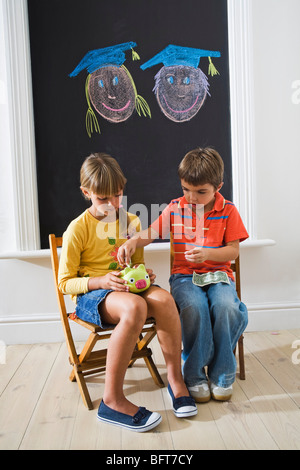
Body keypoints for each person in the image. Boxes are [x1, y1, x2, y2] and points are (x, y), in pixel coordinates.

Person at [58, 152, 197, 432]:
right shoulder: (78, 228)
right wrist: (101, 281)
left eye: (118, 196)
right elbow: (64, 283)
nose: (112, 205)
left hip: (127, 290)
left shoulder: (131, 221)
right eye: (102, 199)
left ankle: (175, 379)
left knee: (164, 299)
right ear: (86, 193)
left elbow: (138, 265)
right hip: (94, 296)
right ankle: (112, 401)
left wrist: (144, 277)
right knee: (135, 308)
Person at [118, 147, 249, 403]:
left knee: (226, 307)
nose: (192, 197)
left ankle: (222, 373)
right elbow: (152, 232)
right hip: (185, 277)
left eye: (201, 192)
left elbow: (233, 251)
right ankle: (195, 374)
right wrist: (134, 240)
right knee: (194, 307)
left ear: (218, 187)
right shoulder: (175, 208)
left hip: (219, 275)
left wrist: (209, 254)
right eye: (186, 189)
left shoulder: (228, 210)